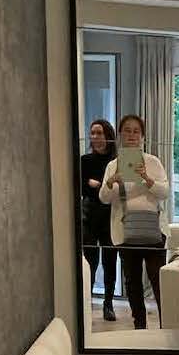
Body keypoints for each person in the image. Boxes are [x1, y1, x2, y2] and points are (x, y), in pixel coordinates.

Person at [99, 113, 170, 329]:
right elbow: (104, 198)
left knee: (158, 280)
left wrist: (147, 179)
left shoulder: (153, 162)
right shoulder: (113, 165)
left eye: (136, 131)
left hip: (154, 230)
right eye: (127, 131)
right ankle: (140, 325)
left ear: (143, 137)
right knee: (132, 282)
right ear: (120, 135)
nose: (132, 135)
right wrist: (111, 182)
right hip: (125, 230)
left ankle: (167, 326)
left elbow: (165, 193)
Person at [80, 119, 118, 321]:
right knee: (90, 262)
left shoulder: (116, 163)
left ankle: (108, 304)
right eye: (92, 133)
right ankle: (86, 303)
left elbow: (117, 191)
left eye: (99, 133)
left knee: (110, 262)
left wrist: (98, 185)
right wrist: (102, 186)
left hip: (111, 217)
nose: (95, 137)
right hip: (89, 217)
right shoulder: (84, 160)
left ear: (108, 136)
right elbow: (81, 188)